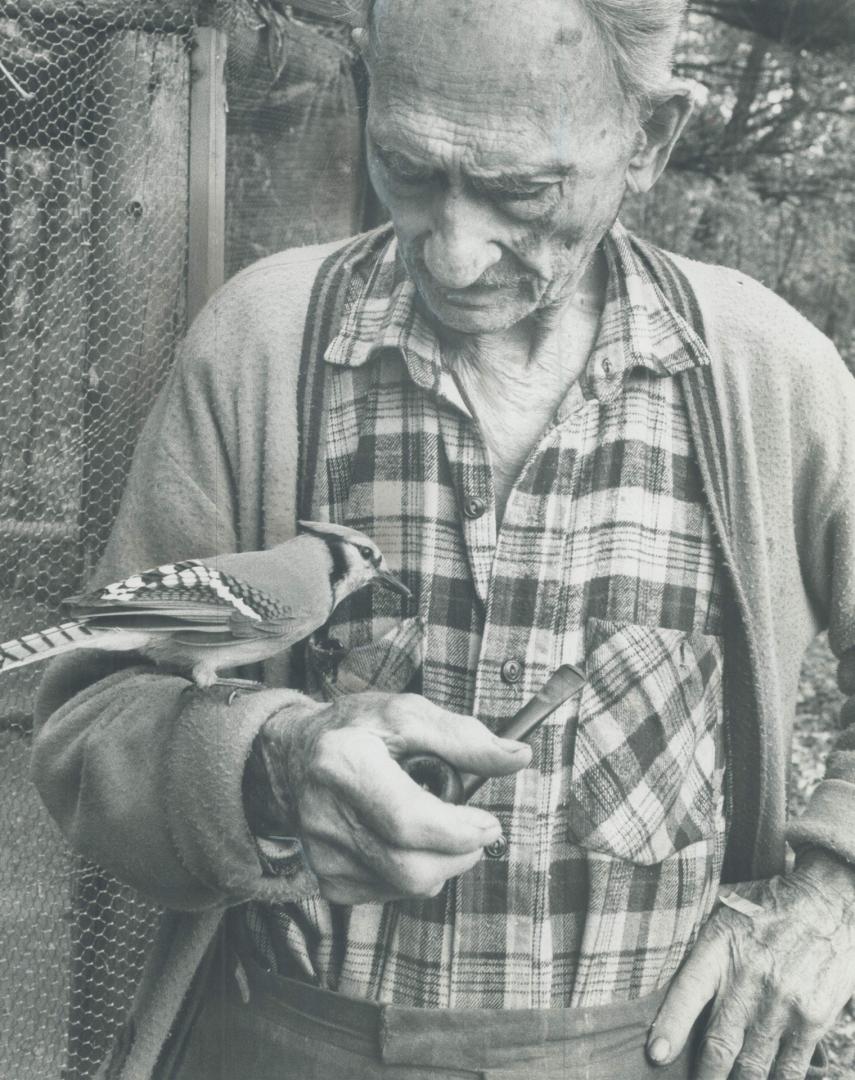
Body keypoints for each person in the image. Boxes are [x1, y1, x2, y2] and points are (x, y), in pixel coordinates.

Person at [31, 0, 855, 1077]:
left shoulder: (771, 374)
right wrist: (267, 767)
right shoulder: (260, 343)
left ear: (648, 140)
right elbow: (86, 725)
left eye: (521, 193)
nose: (457, 256)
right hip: (284, 1040)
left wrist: (830, 892)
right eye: (410, 171)